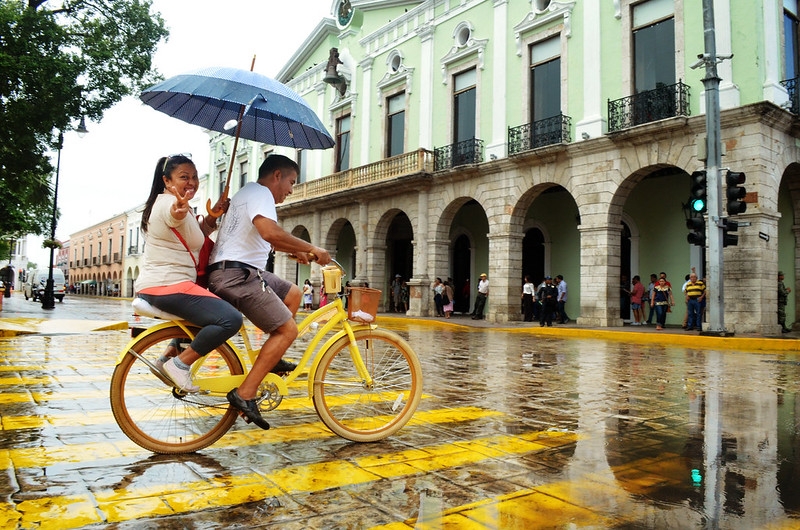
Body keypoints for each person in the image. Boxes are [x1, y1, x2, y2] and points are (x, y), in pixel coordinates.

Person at [207, 154, 331, 430]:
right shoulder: (261, 193)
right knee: (288, 330)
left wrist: (297, 250)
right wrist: (312, 248)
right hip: (237, 274)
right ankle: (245, 393)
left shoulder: (249, 192)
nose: (290, 189)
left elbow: (259, 238)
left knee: (293, 294)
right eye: (291, 182)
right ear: (277, 175)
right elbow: (269, 232)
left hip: (238, 270)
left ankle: (271, 358)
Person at [135, 154, 243, 393]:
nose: (191, 182)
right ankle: (180, 364)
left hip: (163, 285)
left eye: (194, 177)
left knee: (206, 317)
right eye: (184, 177)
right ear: (167, 180)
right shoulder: (168, 203)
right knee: (231, 319)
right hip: (167, 285)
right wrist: (179, 210)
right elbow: (175, 215)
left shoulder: (173, 203)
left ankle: (167, 358)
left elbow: (195, 234)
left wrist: (213, 215)